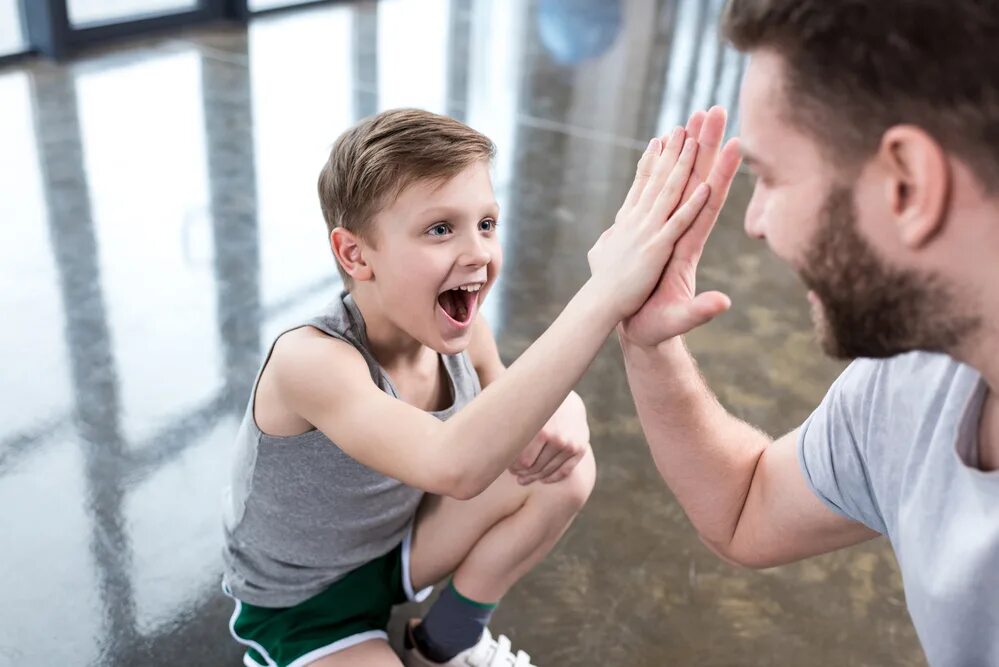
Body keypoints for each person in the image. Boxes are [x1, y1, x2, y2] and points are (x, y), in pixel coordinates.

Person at [220, 107, 730, 667]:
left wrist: (569, 408)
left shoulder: (460, 329)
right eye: (441, 229)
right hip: (302, 604)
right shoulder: (310, 361)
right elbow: (453, 465)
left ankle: (446, 642)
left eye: (486, 224)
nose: (479, 254)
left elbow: (511, 405)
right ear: (354, 253)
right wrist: (604, 295)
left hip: (394, 551)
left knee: (564, 469)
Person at [619, 2, 999, 665]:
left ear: (907, 185)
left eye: (768, 177)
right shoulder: (913, 375)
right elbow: (747, 505)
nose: (755, 220)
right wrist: (649, 342)